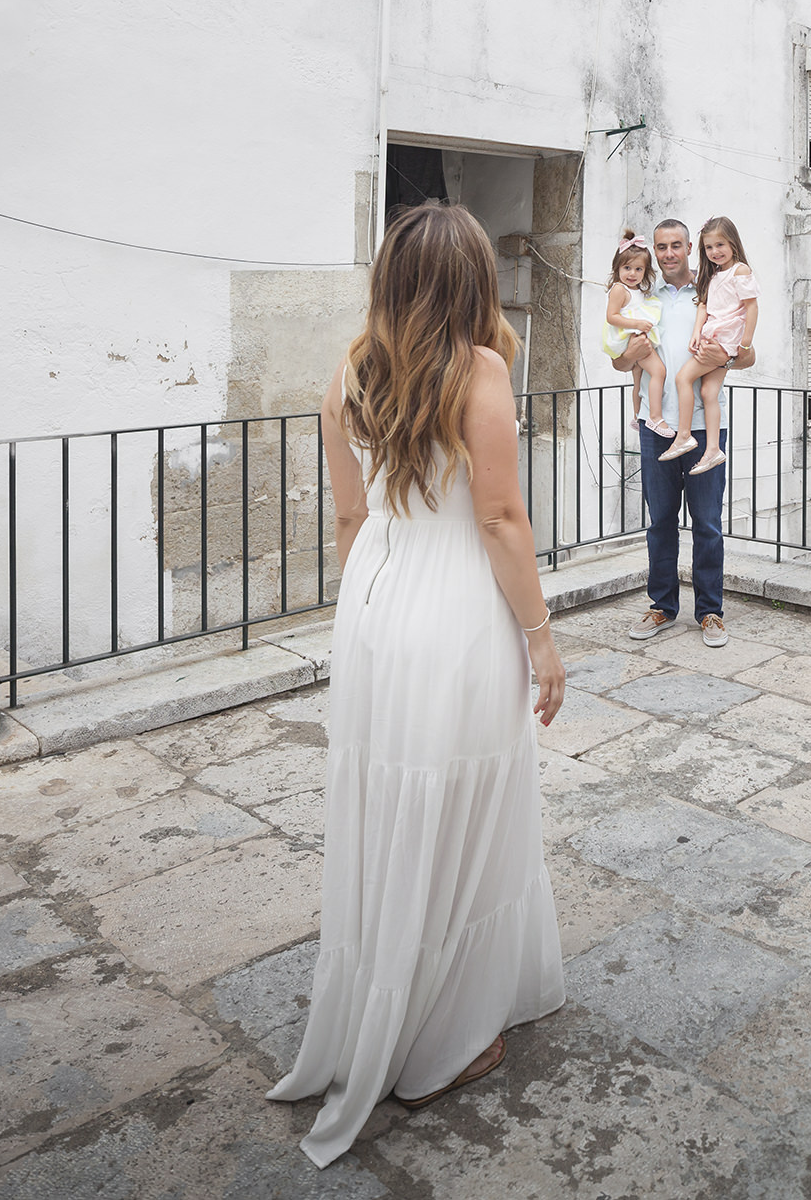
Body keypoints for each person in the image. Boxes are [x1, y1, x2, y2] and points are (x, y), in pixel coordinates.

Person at [268, 203, 567, 1169]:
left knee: (392, 807)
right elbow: (502, 520)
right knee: (466, 803)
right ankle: (441, 1042)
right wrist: (542, 638)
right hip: (453, 615)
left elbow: (351, 524)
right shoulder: (480, 373)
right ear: (472, 281)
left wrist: (367, 625)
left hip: (375, 610)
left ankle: (395, 1004)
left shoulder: (347, 379)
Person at [609, 218, 756, 648]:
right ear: (653, 250)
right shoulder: (642, 295)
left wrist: (726, 359)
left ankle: (710, 612)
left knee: (708, 523)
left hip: (705, 430)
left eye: (676, 245)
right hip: (659, 427)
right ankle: (662, 606)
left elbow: (746, 356)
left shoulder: (712, 290)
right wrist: (629, 355)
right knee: (660, 522)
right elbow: (621, 362)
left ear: (690, 247)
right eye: (661, 246)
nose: (669, 253)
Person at [659, 215, 759, 476]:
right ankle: (713, 449)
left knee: (683, 378)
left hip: (724, 339)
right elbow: (704, 305)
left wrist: (744, 344)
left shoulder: (740, 271)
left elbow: (752, 307)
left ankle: (683, 435)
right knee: (708, 392)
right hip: (714, 336)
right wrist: (695, 332)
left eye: (720, 245)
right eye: (709, 247)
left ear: (733, 245)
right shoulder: (713, 275)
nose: (715, 252)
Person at [601, 229, 672, 436]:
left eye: (638, 269)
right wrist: (638, 324)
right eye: (627, 268)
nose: (632, 274)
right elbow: (611, 317)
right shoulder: (618, 290)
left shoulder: (638, 291)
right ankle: (656, 418)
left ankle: (637, 414)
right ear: (618, 268)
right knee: (659, 372)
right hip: (633, 338)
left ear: (645, 271)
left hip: (636, 336)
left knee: (639, 380)